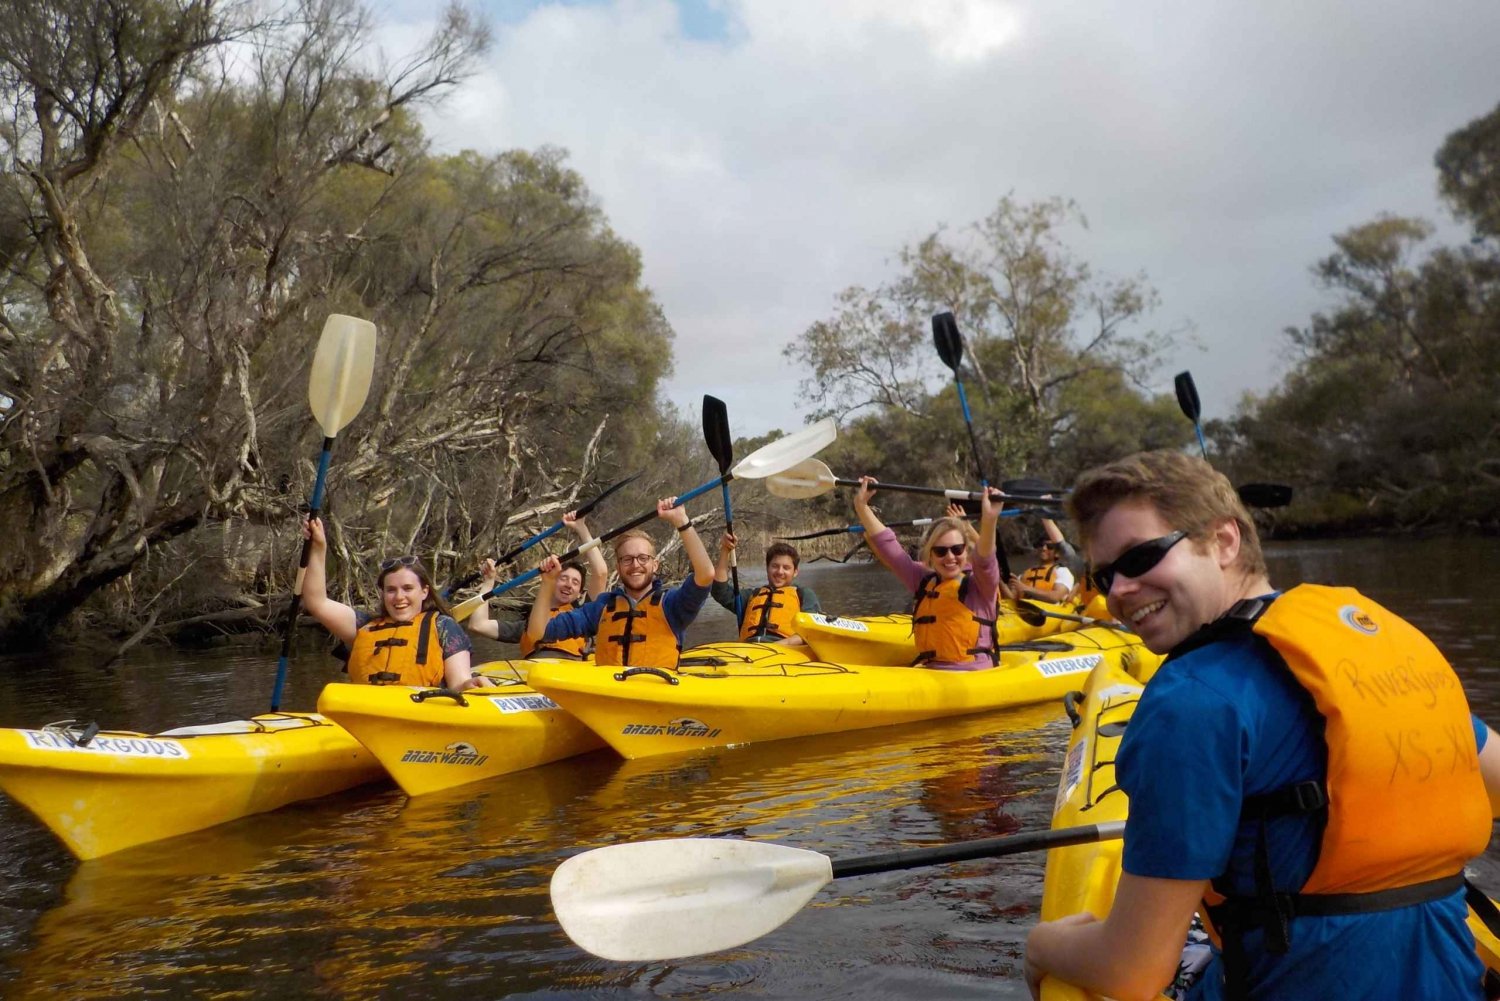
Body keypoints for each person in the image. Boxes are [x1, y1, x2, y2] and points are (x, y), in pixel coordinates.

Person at [1023, 450, 1500, 1001]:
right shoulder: (1377, 649)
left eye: (1140, 558)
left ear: (1224, 541)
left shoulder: (1190, 701)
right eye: (1104, 575)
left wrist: (1041, 945)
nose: (1119, 592)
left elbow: (1134, 972)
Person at [300, 516, 490, 691]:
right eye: (391, 590)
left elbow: (458, 683)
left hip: (421, 713)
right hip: (369, 714)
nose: (399, 597)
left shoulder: (444, 626)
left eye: (408, 588)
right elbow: (317, 603)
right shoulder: (363, 626)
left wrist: (469, 684)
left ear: (424, 591)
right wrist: (318, 547)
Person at [526, 497, 715, 668]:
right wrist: (548, 583)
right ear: (618, 565)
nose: (635, 565)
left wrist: (681, 521)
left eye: (643, 558)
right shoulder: (602, 607)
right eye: (627, 559)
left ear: (654, 564)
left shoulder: (672, 605)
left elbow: (705, 574)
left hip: (655, 695)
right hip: (611, 695)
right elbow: (537, 633)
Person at [853, 476, 1006, 671]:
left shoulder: (980, 585)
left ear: (966, 551)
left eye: (957, 549)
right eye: (941, 551)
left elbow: (985, 560)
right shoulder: (923, 581)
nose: (950, 557)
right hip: (931, 671)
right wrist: (861, 505)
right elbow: (891, 550)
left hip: (971, 673)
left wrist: (990, 520)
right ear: (930, 556)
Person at [465, 511, 609, 659]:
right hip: (535, 672)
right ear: (552, 580)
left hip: (571, 672)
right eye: (564, 578)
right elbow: (477, 624)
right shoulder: (529, 625)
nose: (568, 585)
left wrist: (581, 528)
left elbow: (600, 573)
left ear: (579, 593)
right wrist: (488, 582)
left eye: (575, 582)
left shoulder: (582, 618)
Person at [710, 533, 822, 645]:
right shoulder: (752, 596)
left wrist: (779, 645)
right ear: (767, 568)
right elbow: (720, 591)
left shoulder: (804, 594)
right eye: (775, 566)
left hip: (786, 651)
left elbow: (811, 631)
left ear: (795, 572)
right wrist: (725, 550)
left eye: (786, 568)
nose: (780, 572)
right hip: (750, 651)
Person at [1010, 537, 1074, 603]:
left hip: (1047, 611)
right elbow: (1011, 598)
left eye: (1050, 546)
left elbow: (1055, 597)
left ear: (1057, 554)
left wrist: (1025, 588)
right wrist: (1000, 581)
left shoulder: (1063, 572)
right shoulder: (1026, 573)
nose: (1044, 548)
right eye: (1041, 545)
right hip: (1022, 610)